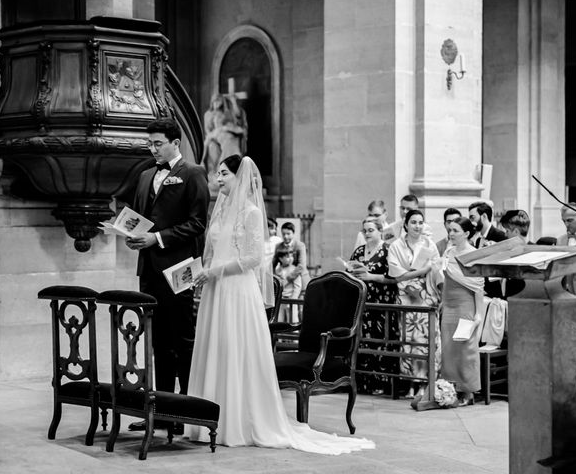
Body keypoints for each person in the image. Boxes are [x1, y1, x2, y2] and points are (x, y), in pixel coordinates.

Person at [188, 155, 373, 453]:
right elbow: (212, 251)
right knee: (216, 350)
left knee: (236, 352)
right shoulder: (219, 211)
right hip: (215, 290)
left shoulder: (250, 212)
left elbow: (251, 259)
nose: (218, 179)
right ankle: (209, 419)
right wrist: (201, 273)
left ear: (240, 177)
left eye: (224, 174)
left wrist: (215, 271)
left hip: (236, 290)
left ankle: (237, 423)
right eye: (217, 174)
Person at [125, 118, 210, 431]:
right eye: (150, 144)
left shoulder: (193, 173)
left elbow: (198, 223)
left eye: (158, 143)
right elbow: (140, 219)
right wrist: (132, 234)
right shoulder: (147, 174)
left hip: (180, 268)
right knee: (157, 341)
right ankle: (160, 409)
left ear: (176, 142)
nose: (153, 149)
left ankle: (184, 412)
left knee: (182, 339)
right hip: (148, 269)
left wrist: (156, 238)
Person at [387, 209, 441, 399]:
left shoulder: (430, 245)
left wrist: (425, 272)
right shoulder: (395, 246)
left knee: (424, 342)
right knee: (408, 341)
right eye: (414, 222)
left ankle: (425, 383)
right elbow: (396, 275)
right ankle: (409, 382)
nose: (417, 226)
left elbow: (435, 270)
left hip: (425, 298)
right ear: (406, 224)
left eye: (420, 222)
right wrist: (420, 271)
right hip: (405, 298)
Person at [348, 216, 399, 395]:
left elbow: (394, 278)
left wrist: (371, 277)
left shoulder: (388, 249)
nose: (367, 233)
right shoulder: (359, 250)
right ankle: (363, 382)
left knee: (381, 341)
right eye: (365, 231)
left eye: (371, 230)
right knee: (363, 341)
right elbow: (350, 271)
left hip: (382, 302)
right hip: (364, 303)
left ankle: (382, 382)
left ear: (380, 231)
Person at [440, 217, 484, 407]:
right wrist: (442, 302)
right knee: (449, 347)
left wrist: (478, 313)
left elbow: (478, 286)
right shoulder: (448, 252)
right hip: (448, 305)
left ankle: (468, 391)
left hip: (466, 305)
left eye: (455, 230)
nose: (451, 234)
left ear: (466, 233)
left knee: (465, 348)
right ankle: (451, 389)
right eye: (450, 230)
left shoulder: (473, 254)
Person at [201, 93, 248, 192]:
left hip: (225, 133)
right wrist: (216, 133)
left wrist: (225, 128)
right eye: (215, 101)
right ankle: (223, 170)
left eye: (219, 102)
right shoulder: (208, 114)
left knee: (229, 140)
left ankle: (228, 167)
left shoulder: (226, 113)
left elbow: (236, 120)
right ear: (212, 102)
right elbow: (208, 131)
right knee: (213, 145)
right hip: (214, 136)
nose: (217, 104)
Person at [468, 201, 507, 299]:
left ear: (484, 216)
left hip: (496, 294)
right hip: (482, 292)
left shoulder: (500, 237)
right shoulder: (477, 240)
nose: (471, 222)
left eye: (472, 217)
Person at [272, 221, 310, 291]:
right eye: (283, 234)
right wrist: (275, 278)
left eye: (288, 234)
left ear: (293, 233)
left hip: (300, 281)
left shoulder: (300, 245)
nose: (286, 236)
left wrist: (287, 279)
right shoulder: (278, 246)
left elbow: (301, 266)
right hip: (285, 284)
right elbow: (273, 265)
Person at [556, 203, 576, 294]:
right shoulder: (560, 240)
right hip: (565, 292)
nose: (566, 224)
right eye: (564, 221)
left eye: (570, 220)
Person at [274, 245, 302, 323]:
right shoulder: (278, 270)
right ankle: (280, 333)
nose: (290, 259)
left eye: (291, 256)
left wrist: (293, 298)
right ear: (280, 259)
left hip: (291, 298)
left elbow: (297, 287)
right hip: (281, 298)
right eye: (287, 257)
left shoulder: (294, 270)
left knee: (292, 319)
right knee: (280, 319)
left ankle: (293, 333)